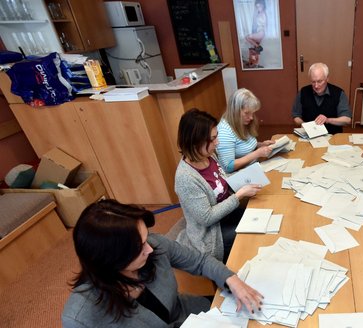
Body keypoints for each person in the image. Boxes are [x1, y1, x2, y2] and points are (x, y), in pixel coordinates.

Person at [62, 199, 263, 327]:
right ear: (110, 259)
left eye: (145, 238)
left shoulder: (154, 245)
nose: (149, 249)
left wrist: (232, 279)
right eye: (139, 247)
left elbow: (199, 261)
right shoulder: (80, 316)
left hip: (193, 315)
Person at [175, 109, 262, 262]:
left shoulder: (208, 156)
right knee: (253, 234)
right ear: (196, 141)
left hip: (226, 214)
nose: (218, 142)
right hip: (210, 234)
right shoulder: (186, 178)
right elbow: (207, 218)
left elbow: (222, 181)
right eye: (213, 139)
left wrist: (247, 176)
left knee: (261, 217)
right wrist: (239, 195)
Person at [216, 88, 275, 173]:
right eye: (247, 113)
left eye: (252, 113)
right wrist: (257, 153)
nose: (251, 117)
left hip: (254, 166)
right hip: (240, 174)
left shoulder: (242, 122)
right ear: (235, 111)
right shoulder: (224, 132)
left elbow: (242, 145)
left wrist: (260, 145)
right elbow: (228, 167)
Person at [292, 62, 352, 134]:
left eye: (319, 81)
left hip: (332, 135)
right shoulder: (303, 92)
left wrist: (328, 120)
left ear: (327, 79)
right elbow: (296, 116)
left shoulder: (338, 93)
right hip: (308, 135)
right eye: (313, 82)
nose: (316, 86)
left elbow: (347, 120)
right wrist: (304, 125)